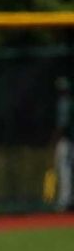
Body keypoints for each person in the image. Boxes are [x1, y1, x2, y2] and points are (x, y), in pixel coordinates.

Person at [55, 76, 73, 211]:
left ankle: (65, 201)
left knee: (64, 171)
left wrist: (54, 139)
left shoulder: (65, 103)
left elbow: (62, 126)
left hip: (68, 142)